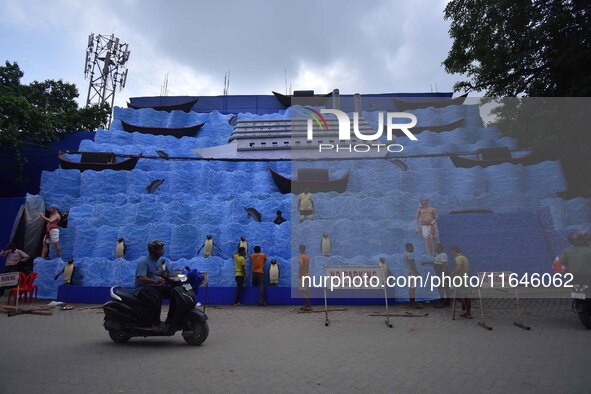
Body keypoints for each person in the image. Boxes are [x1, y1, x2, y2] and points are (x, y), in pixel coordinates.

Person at [135, 240, 171, 328]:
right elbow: (141, 278)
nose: (163, 250)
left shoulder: (158, 261)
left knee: (173, 291)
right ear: (154, 251)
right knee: (156, 298)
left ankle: (171, 319)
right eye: (160, 249)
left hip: (154, 287)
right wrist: (155, 281)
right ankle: (155, 324)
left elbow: (162, 273)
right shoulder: (143, 262)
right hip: (143, 289)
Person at [450, 245, 471, 318]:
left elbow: (458, 267)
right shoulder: (464, 257)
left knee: (456, 293)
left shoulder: (458, 258)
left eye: (452, 251)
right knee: (466, 296)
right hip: (466, 278)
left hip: (461, 279)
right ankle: (466, 311)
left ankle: (466, 310)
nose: (451, 253)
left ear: (454, 251)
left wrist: (453, 273)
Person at [404, 243, 422, 309]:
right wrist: (418, 273)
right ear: (408, 248)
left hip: (407, 272)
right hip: (412, 273)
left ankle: (411, 303)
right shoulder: (410, 255)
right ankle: (413, 303)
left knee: (410, 288)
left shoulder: (405, 254)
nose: (413, 248)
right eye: (412, 247)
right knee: (413, 288)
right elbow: (413, 266)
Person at [432, 243, 450, 307]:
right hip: (438, 273)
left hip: (442, 273)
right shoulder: (438, 255)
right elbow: (436, 263)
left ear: (440, 248)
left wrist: (443, 275)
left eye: (436, 247)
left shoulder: (443, 255)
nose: (435, 249)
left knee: (443, 288)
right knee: (441, 288)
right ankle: (444, 302)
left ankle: (444, 302)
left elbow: (444, 266)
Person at [298, 244, 312, 310]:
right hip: (307, 275)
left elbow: (301, 265)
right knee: (306, 291)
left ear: (301, 249)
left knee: (303, 291)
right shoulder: (307, 257)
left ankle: (308, 305)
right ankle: (306, 305)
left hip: (303, 275)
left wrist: (299, 273)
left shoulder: (301, 257)